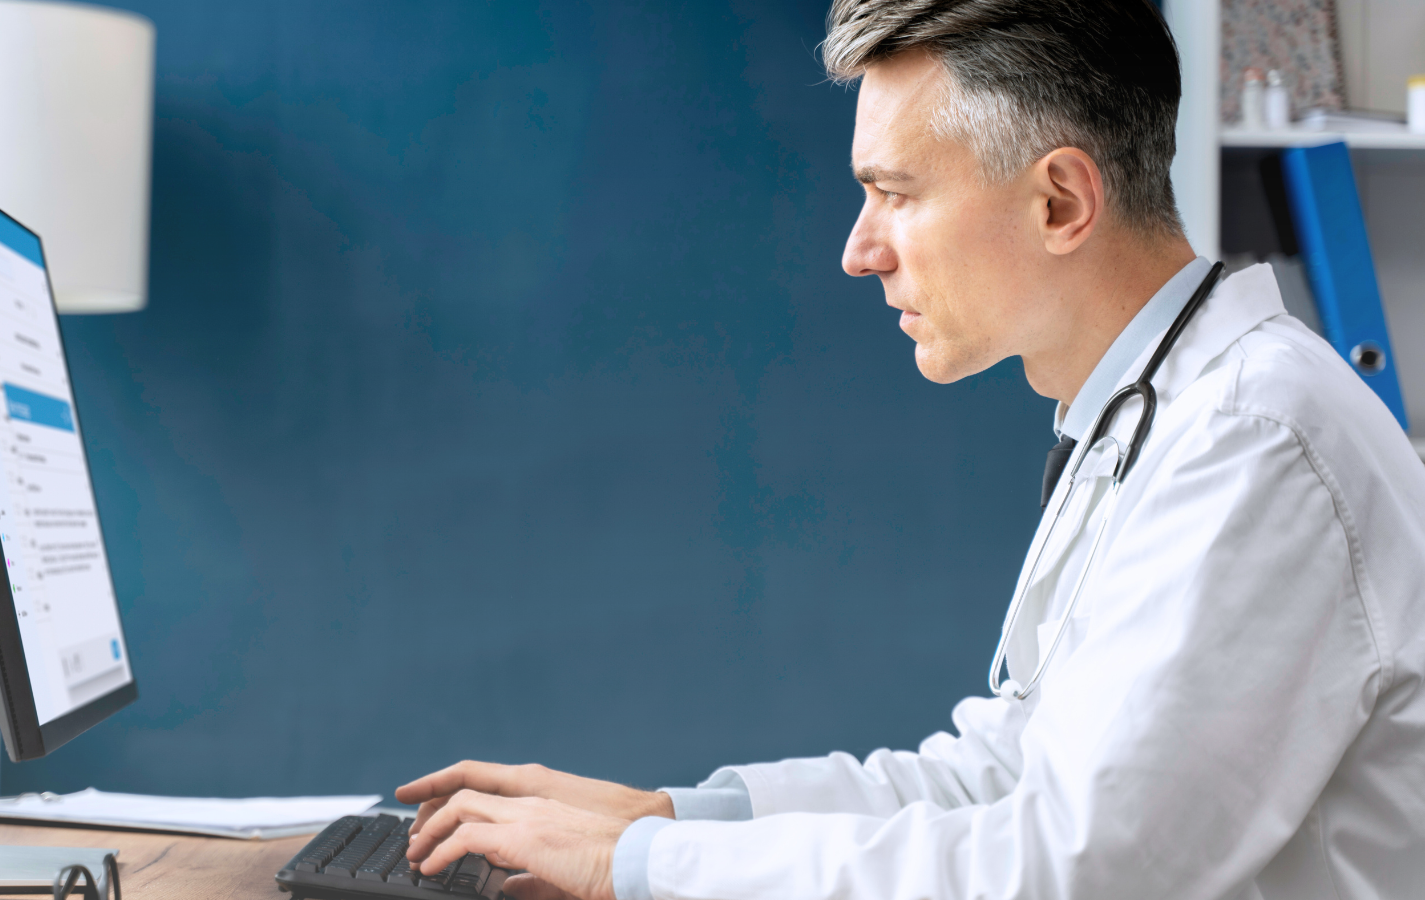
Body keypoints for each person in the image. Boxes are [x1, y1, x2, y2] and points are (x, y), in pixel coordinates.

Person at [397, 0, 1425, 897]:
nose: (858, 248)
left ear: (1060, 200)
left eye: (894, 190)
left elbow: (1073, 873)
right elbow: (999, 775)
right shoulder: (1150, 416)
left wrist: (640, 869)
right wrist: (660, 819)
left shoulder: (1254, 444)